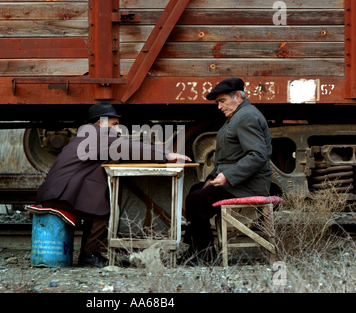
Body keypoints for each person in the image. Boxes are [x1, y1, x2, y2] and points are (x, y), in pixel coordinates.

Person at [35, 102, 191, 267]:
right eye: (114, 124)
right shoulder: (97, 136)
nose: (118, 129)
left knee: (96, 208)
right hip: (61, 195)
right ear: (100, 123)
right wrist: (167, 155)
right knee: (102, 213)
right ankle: (90, 256)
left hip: (58, 192)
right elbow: (127, 147)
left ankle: (88, 254)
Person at [182, 78, 272, 265]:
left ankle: (205, 255)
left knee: (196, 200)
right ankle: (197, 248)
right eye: (218, 103)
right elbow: (227, 158)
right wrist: (212, 178)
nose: (219, 107)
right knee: (196, 190)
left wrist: (227, 177)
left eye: (222, 101)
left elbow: (257, 155)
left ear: (237, 96)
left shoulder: (246, 117)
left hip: (248, 185)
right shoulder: (238, 115)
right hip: (240, 182)